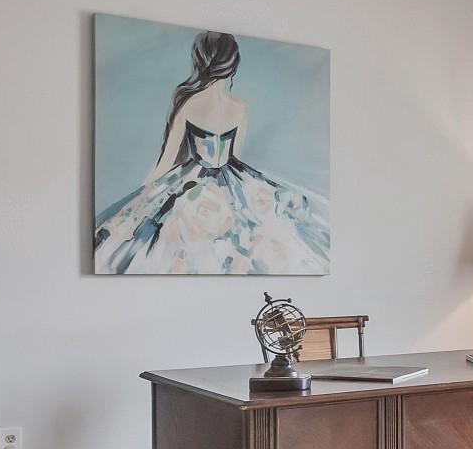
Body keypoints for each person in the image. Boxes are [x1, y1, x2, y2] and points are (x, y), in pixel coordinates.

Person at [93, 31, 329, 274]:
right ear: (232, 64)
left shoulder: (188, 103)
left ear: (200, 59)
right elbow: (234, 154)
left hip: (191, 182)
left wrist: (139, 202)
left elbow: (166, 162)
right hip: (233, 180)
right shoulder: (239, 107)